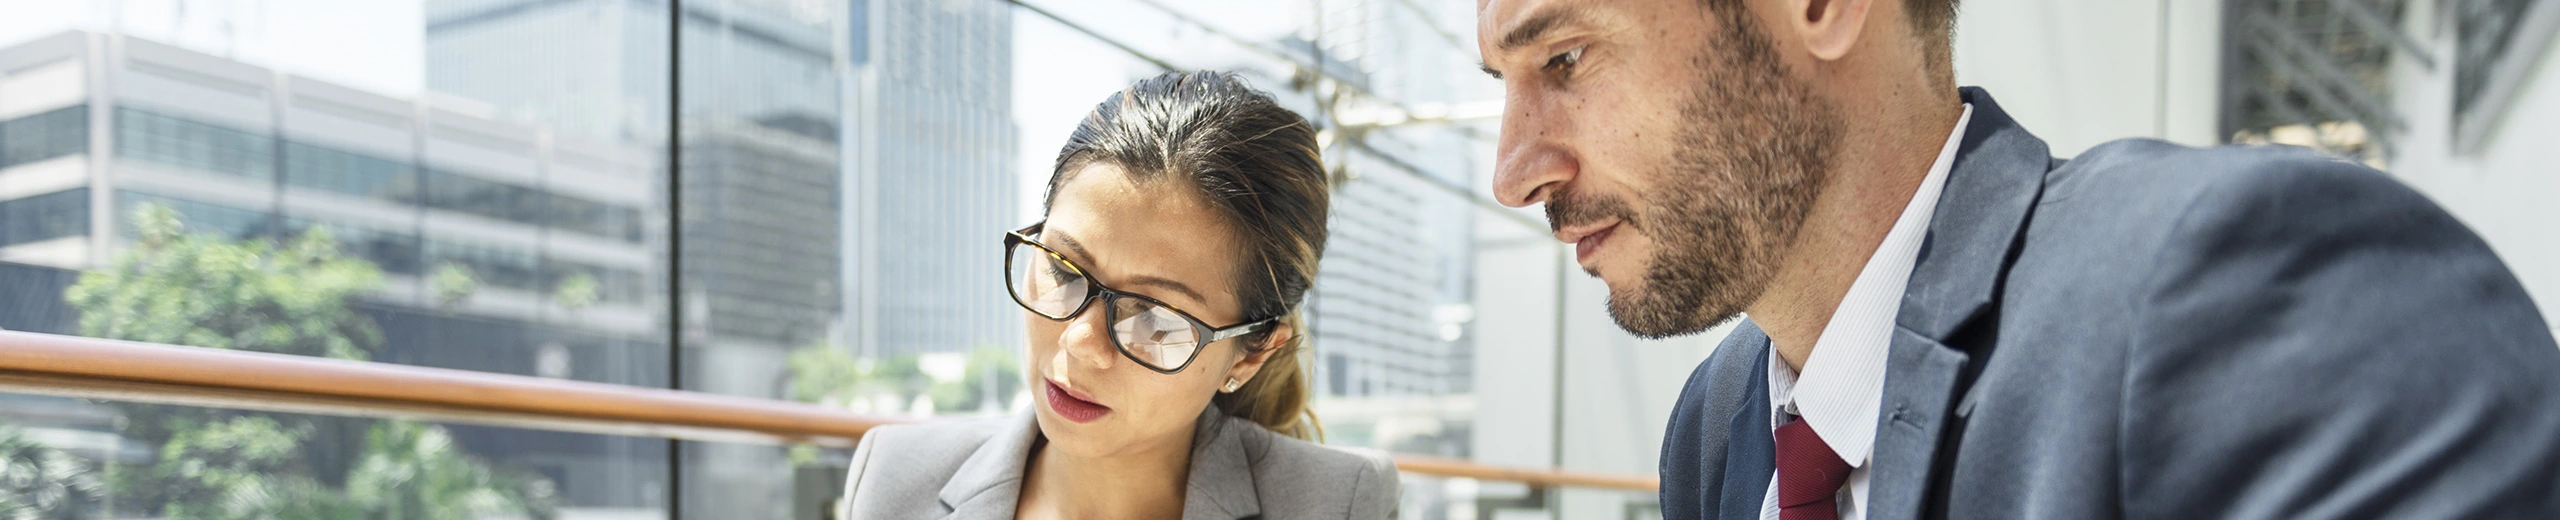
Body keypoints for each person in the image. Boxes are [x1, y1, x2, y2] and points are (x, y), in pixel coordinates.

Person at [1473, 0, 2560, 518]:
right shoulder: (1714, 428)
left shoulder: (2238, 288)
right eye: (1501, 88)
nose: (1512, 171)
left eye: (1562, 59)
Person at [836, 71, 1400, 520]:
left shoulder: (1337, 502)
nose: (1081, 343)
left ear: (1251, 353)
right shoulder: (894, 476)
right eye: (1063, 269)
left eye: (1154, 317)